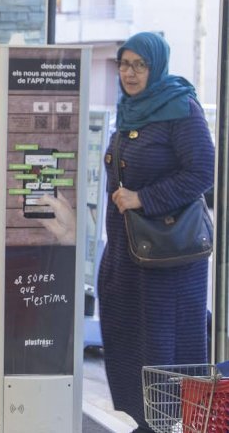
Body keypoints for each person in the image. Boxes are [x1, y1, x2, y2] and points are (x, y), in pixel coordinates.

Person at [98, 31, 214, 433]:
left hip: (169, 258)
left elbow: (203, 172)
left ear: (156, 66)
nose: (129, 74)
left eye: (139, 65)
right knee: (130, 337)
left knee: (166, 344)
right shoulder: (131, 109)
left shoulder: (179, 107)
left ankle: (171, 424)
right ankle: (146, 421)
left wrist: (144, 198)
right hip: (129, 252)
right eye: (124, 64)